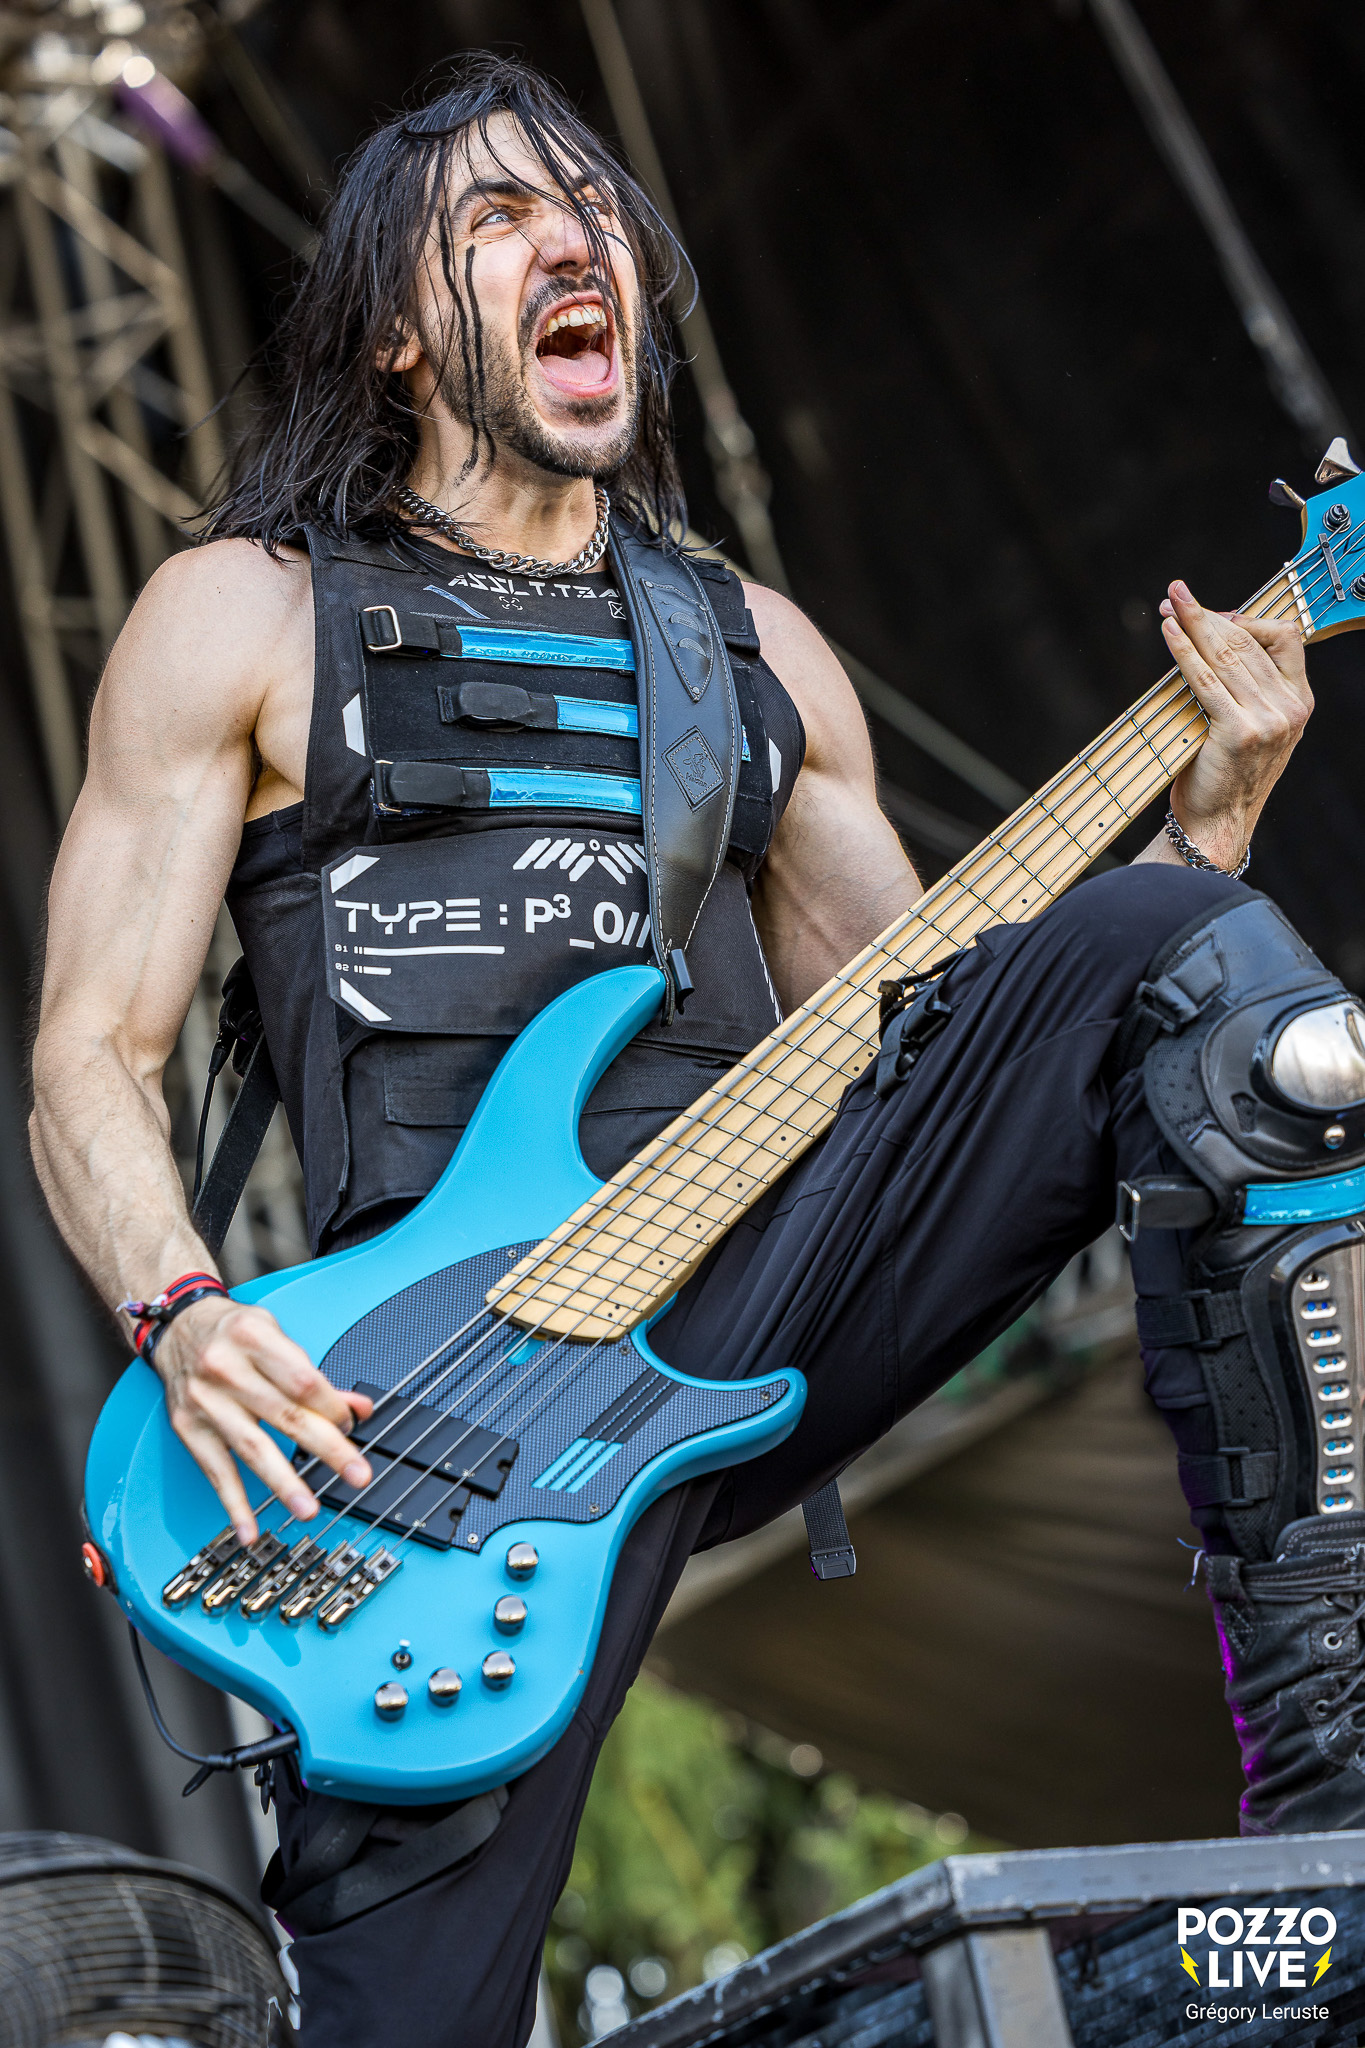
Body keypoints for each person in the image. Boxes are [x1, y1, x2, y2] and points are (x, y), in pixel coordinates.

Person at [26, 50, 1357, 2048]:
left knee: (1186, 964)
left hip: (756, 1281)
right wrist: (180, 1310)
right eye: (496, 218)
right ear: (396, 331)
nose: (571, 239)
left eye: (589, 210)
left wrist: (1204, 834)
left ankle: (1333, 1770)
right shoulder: (239, 618)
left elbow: (952, 1038)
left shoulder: (752, 651)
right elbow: (85, 1053)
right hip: (421, 1422)